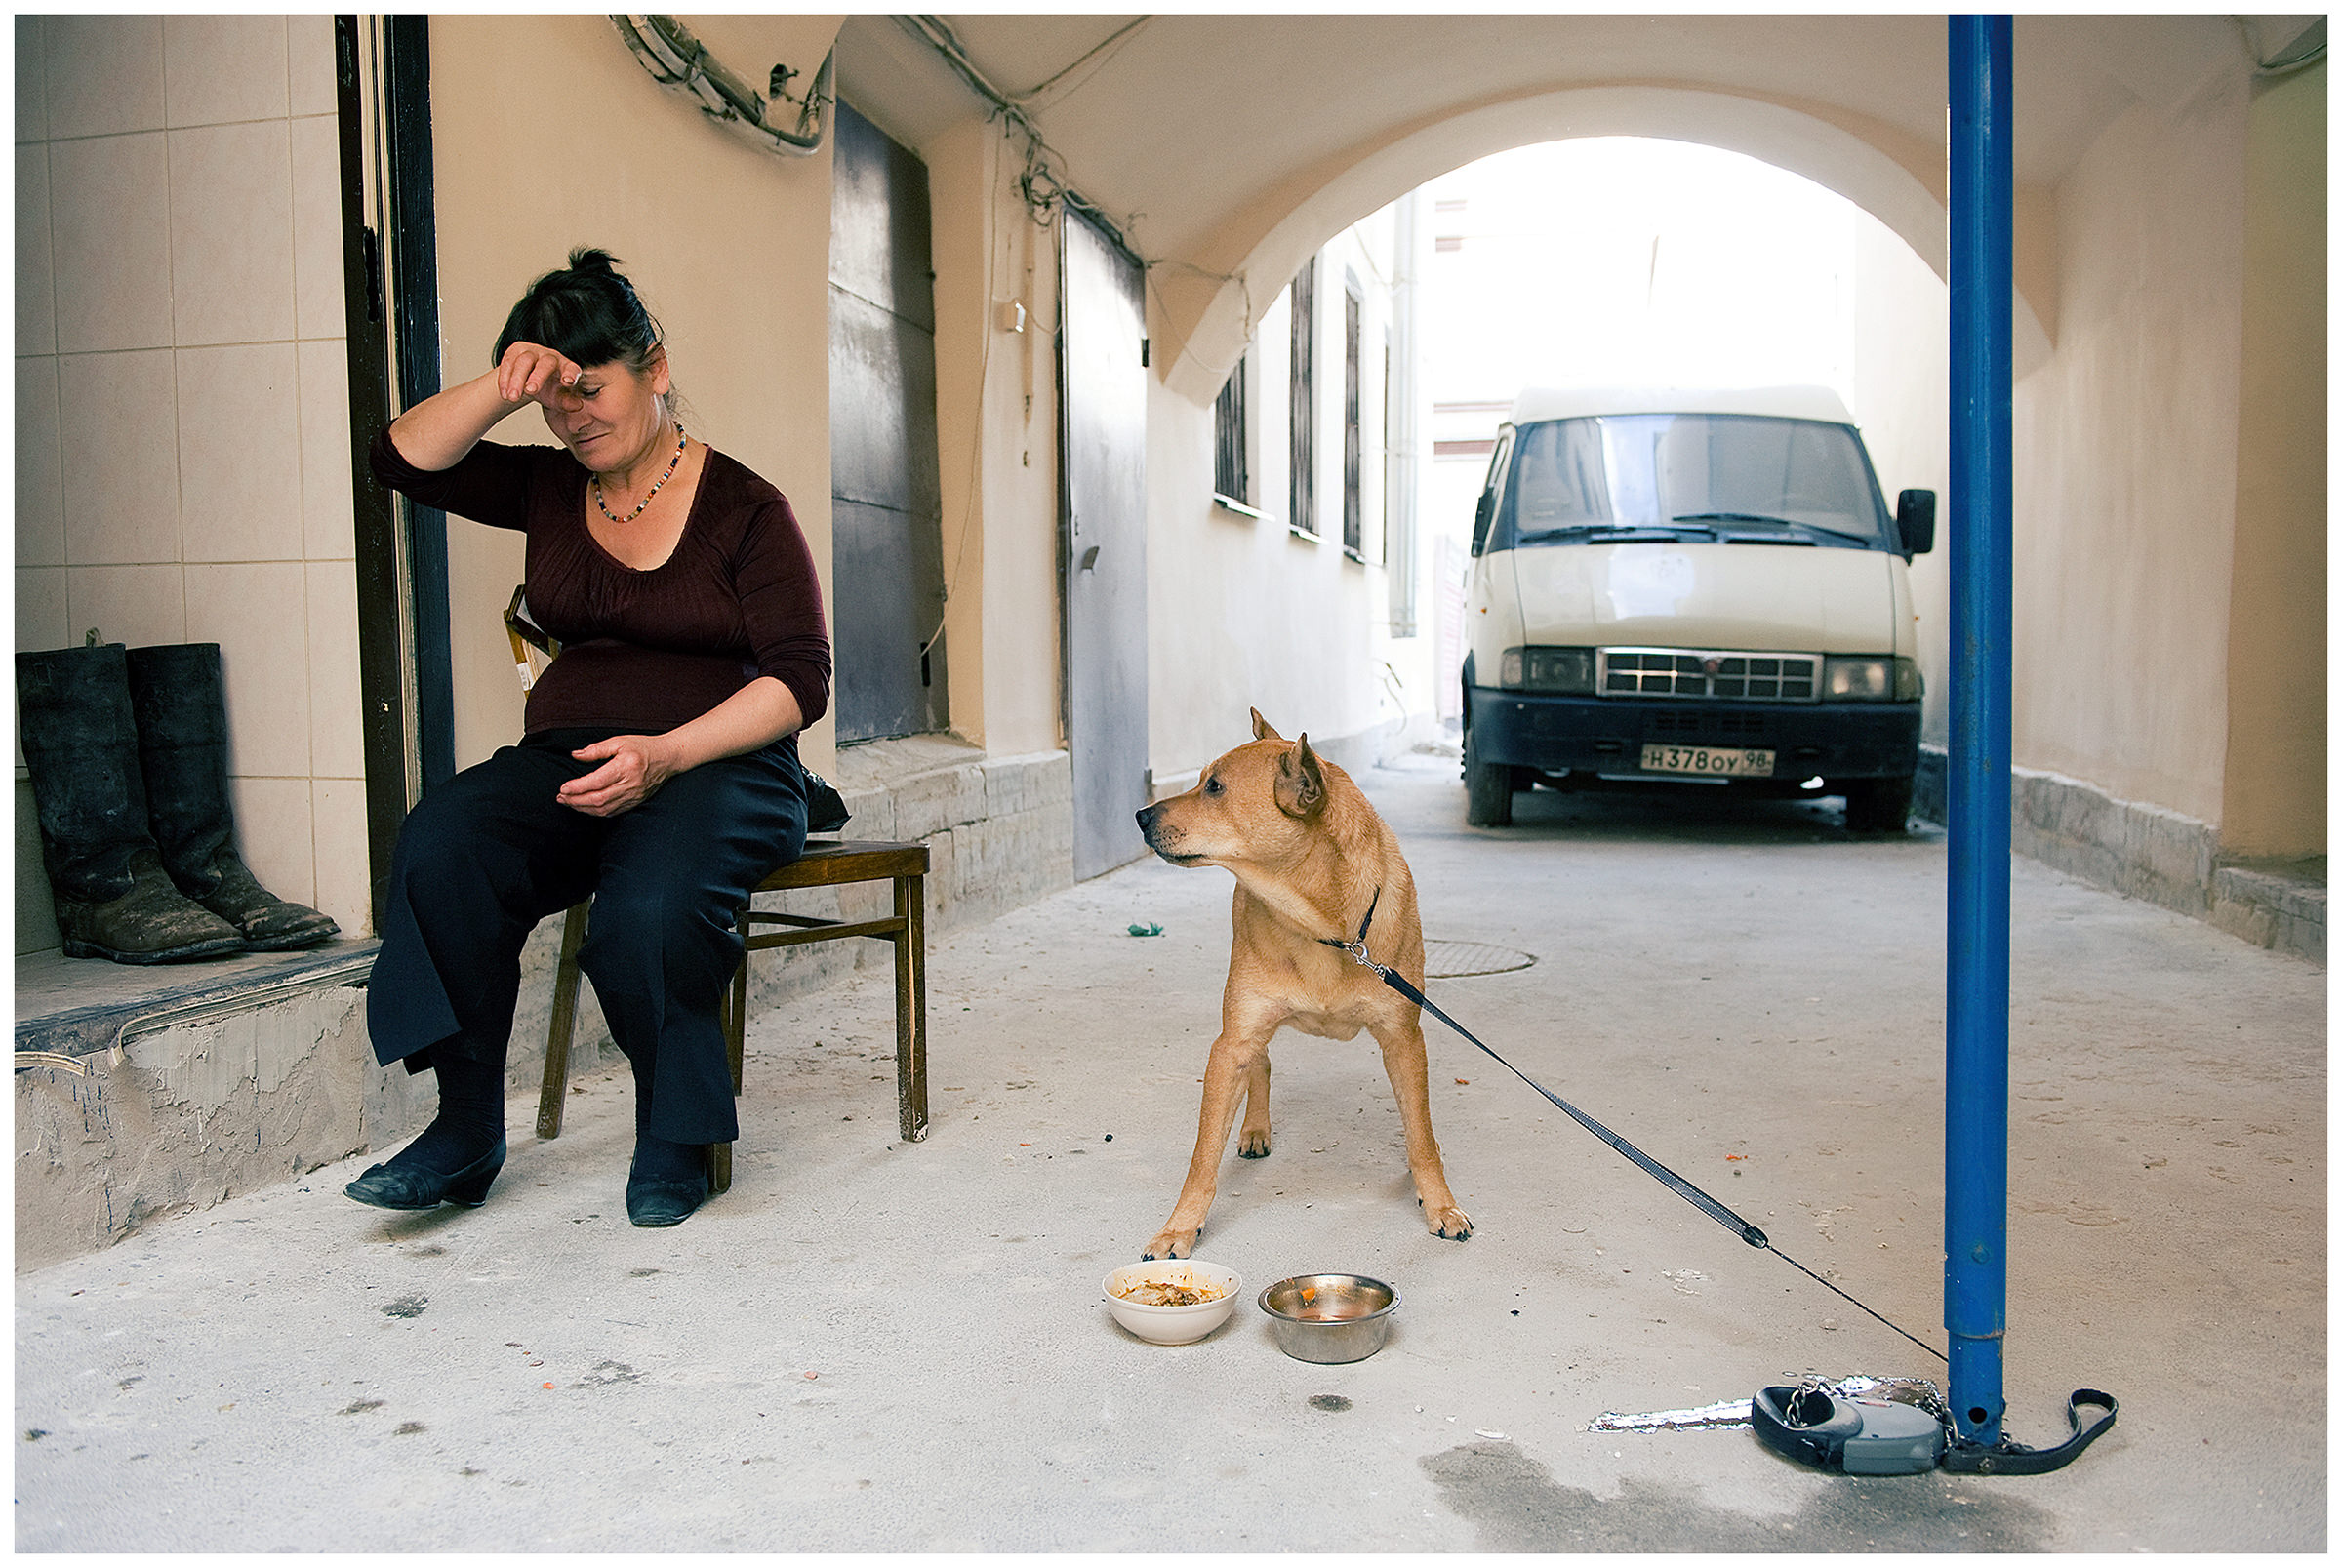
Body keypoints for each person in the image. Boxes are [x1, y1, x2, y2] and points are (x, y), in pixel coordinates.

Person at [347, 249, 829, 1227]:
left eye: (591, 387)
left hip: (720, 762)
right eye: (554, 399)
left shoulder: (746, 507)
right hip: (569, 756)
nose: (575, 416)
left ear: (654, 366)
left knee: (647, 907)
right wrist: (500, 385)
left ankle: (676, 1132)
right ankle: (465, 1126)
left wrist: (668, 754)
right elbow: (399, 457)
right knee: (443, 842)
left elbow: (799, 678)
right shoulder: (544, 487)